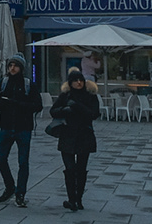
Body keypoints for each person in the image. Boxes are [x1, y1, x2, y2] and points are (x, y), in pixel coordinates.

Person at [48, 68, 99, 213]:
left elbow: (94, 114)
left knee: (81, 169)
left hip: (84, 136)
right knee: (70, 169)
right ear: (70, 83)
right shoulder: (65, 96)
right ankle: (71, 199)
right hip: (67, 136)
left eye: (81, 80)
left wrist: (76, 106)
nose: (79, 83)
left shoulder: (90, 96)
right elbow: (53, 111)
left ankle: (79, 199)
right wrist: (65, 110)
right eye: (75, 81)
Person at [0, 55, 40, 206]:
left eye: (15, 65)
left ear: (21, 68)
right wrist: (3, 103)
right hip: (5, 126)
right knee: (1, 159)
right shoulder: (3, 83)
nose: (12, 68)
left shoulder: (28, 85)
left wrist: (19, 104)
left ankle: (20, 193)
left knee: (23, 162)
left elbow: (37, 105)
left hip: (23, 127)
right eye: (10, 65)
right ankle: (10, 186)